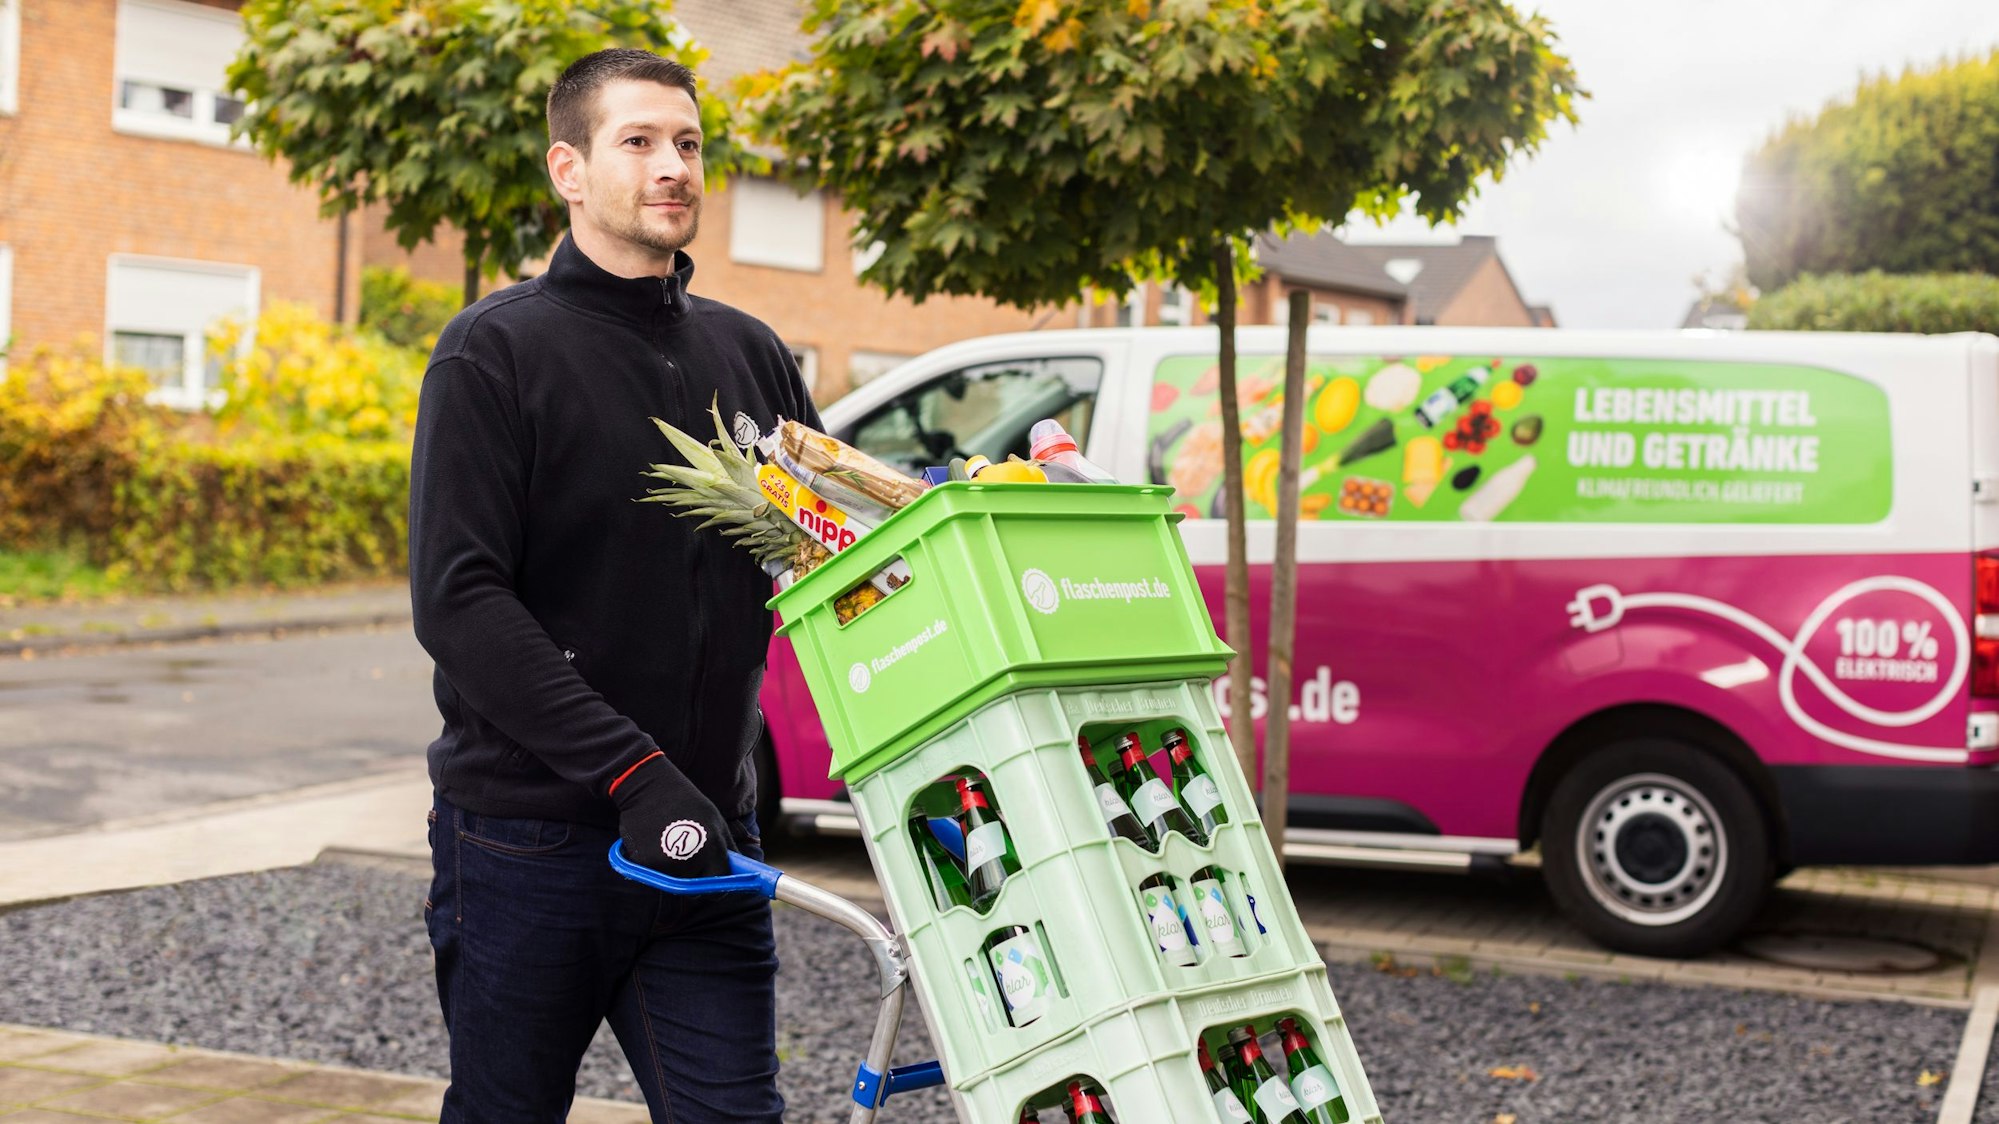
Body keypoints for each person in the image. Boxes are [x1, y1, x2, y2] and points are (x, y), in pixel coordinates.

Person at [407, 46, 818, 1124]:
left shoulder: (753, 352)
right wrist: (633, 773)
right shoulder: (493, 352)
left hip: (709, 837)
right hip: (528, 842)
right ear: (570, 170)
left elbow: (831, 553)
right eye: (637, 141)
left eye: (688, 143)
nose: (672, 165)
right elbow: (458, 600)